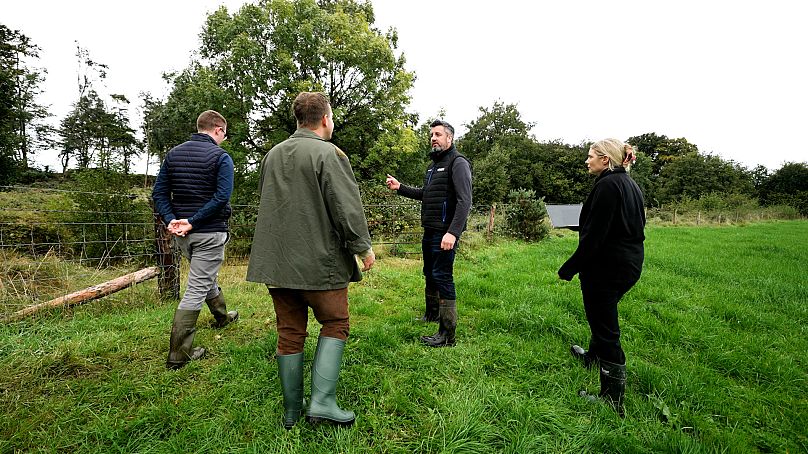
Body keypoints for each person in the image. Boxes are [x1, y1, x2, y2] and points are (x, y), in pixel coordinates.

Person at [246, 92, 375, 429]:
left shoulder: (272, 155)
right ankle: (321, 403)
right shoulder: (329, 153)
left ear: (298, 120)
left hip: (277, 264)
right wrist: (363, 248)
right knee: (335, 323)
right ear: (325, 119)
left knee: (289, 332)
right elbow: (346, 208)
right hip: (320, 263)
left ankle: (291, 412)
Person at [558, 138, 645, 416]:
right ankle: (593, 358)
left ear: (605, 159)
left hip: (608, 267)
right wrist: (578, 222)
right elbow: (620, 223)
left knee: (606, 329)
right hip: (628, 264)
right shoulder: (629, 184)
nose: (587, 161)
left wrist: (569, 267)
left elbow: (595, 237)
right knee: (601, 314)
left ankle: (612, 399)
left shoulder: (608, 185)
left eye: (590, 156)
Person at [152, 110, 239, 370]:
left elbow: (159, 192)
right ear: (218, 130)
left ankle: (222, 317)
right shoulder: (221, 157)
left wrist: (171, 220)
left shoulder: (173, 154)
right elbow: (222, 196)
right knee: (196, 287)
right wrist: (194, 220)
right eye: (225, 133)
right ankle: (179, 354)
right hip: (208, 233)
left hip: (183, 236)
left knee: (204, 275)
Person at [385, 120, 472, 347]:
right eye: (431, 134)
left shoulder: (458, 162)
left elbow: (465, 201)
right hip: (430, 230)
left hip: (445, 233)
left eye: (438, 134)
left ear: (449, 139)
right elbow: (426, 194)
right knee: (430, 274)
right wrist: (400, 187)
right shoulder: (433, 166)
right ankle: (432, 314)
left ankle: (447, 334)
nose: (433, 138)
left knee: (443, 276)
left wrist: (453, 233)